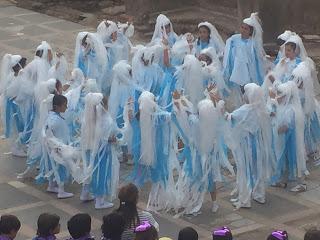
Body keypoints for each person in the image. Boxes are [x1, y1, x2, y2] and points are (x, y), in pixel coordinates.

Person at [226, 83, 273, 209]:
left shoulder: (244, 109)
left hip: (246, 146)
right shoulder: (261, 108)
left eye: (245, 93)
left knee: (245, 170)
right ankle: (259, 194)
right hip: (259, 144)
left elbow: (230, 118)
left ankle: (245, 198)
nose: (243, 95)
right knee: (258, 170)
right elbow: (271, 112)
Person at [80, 93, 120, 209]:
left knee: (90, 170)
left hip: (89, 149)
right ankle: (100, 201)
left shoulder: (86, 118)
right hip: (103, 152)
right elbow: (108, 138)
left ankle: (85, 193)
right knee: (101, 173)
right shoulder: (106, 119)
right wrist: (114, 139)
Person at [223, 12, 267, 107]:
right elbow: (228, 53)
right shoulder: (234, 39)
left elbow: (256, 60)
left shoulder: (253, 43)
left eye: (246, 29)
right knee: (236, 90)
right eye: (242, 27)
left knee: (246, 90)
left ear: (250, 31)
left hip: (248, 70)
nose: (243, 30)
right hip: (235, 68)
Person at [271, 81, 309, 192]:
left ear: (286, 97)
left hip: (293, 142)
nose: (277, 97)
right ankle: (283, 180)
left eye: (280, 95)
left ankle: (302, 183)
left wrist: (277, 130)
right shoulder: (288, 107)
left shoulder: (291, 110)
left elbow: (286, 127)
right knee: (286, 160)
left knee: (296, 160)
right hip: (288, 141)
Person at [36, 95, 75, 199]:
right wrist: (57, 145)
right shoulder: (55, 120)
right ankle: (61, 191)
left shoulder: (51, 116)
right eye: (64, 105)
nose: (66, 107)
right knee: (60, 168)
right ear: (57, 106)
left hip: (53, 147)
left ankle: (51, 186)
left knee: (52, 167)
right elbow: (50, 133)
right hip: (58, 147)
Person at [0, 54, 27, 157]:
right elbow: (11, 93)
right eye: (24, 64)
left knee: (20, 126)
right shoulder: (13, 78)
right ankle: (15, 148)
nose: (25, 66)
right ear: (18, 66)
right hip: (13, 107)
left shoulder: (16, 75)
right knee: (15, 127)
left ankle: (20, 144)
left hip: (18, 105)